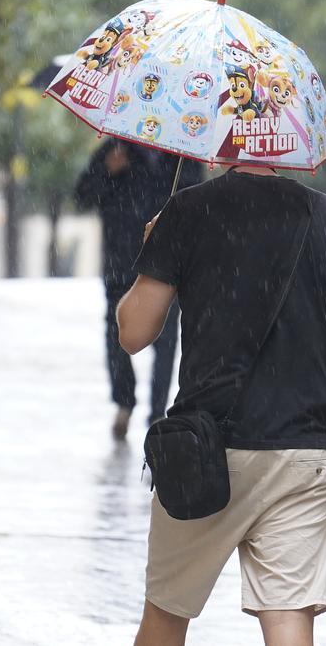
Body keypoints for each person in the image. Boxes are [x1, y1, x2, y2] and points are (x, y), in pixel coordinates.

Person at [117, 165, 326, 645]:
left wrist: (155, 249)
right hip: (304, 451)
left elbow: (132, 334)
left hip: (205, 452)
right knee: (288, 622)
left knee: (166, 616)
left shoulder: (188, 210)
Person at [75, 138, 203, 438]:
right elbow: (82, 197)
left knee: (166, 339)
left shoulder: (183, 151)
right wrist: (107, 171)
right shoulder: (116, 148)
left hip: (167, 261)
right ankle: (124, 401)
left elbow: (199, 204)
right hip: (120, 262)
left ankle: (157, 413)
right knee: (116, 334)